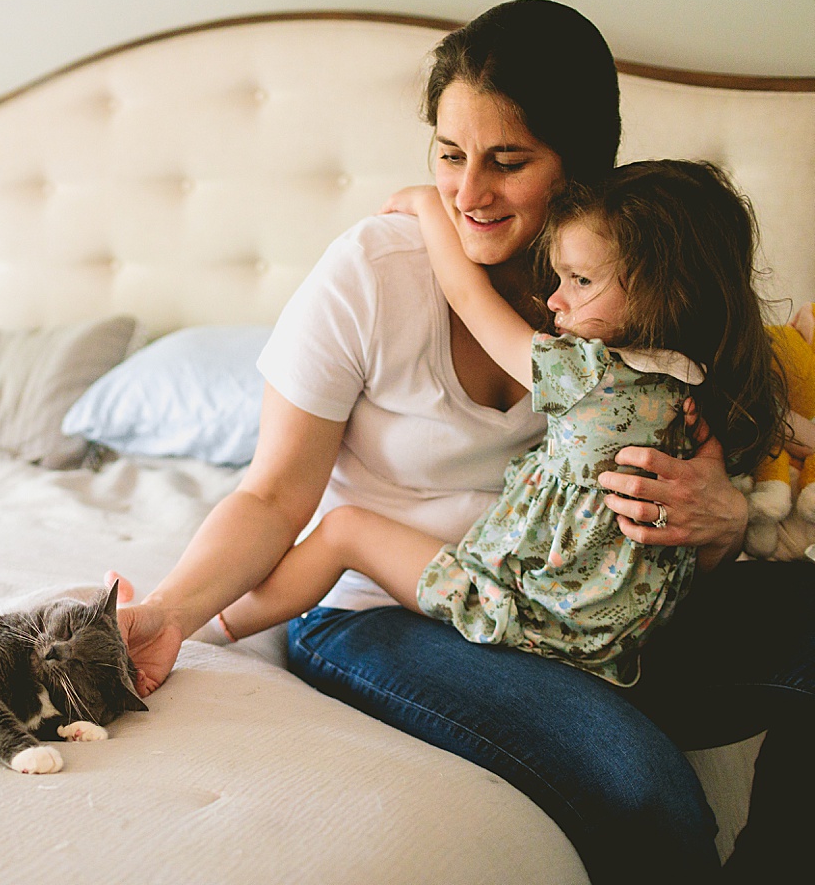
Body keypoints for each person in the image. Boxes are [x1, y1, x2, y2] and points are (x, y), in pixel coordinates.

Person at [111, 0, 814, 884]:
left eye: (507, 161)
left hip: (579, 611)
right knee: (642, 788)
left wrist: (715, 526)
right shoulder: (373, 273)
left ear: (582, 161)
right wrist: (172, 612)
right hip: (396, 612)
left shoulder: (637, 284)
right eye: (449, 156)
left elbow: (656, 541)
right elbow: (273, 494)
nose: (469, 194)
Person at [214, 160, 784, 695]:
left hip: (527, 608)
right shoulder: (692, 383)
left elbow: (468, 297)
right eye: (450, 158)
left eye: (581, 281)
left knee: (343, 532)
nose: (555, 300)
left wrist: (427, 205)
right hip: (617, 635)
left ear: (665, 291)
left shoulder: (586, 375)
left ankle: (218, 627)